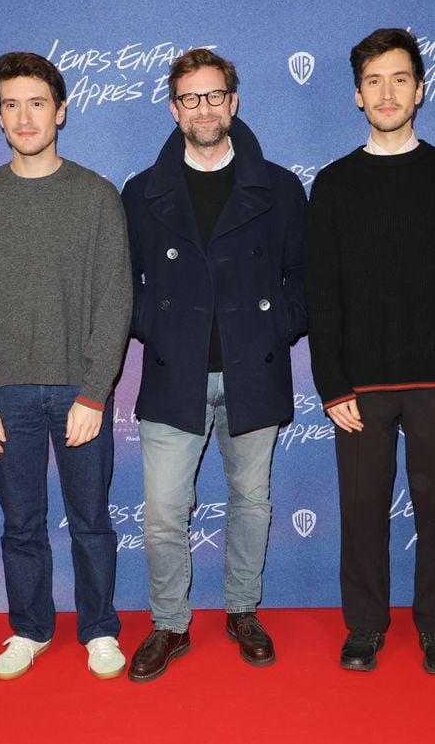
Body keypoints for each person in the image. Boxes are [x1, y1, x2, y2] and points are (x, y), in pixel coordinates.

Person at [305, 29, 435, 674]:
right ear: (358, 95)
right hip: (360, 389)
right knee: (360, 514)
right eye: (374, 81)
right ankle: (364, 625)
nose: (388, 92)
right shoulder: (331, 184)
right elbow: (320, 296)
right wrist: (331, 385)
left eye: (400, 79)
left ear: (420, 88)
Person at [0, 52, 132, 680]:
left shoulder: (97, 196)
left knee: (91, 521)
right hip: (4, 397)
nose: (24, 117)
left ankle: (100, 629)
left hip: (80, 393)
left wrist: (95, 393)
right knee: (20, 522)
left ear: (61, 110)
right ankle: (29, 629)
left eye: (36, 102)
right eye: (10, 105)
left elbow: (115, 303)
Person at [122, 48, 306, 682]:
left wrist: (273, 328)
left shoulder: (279, 187)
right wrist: (160, 326)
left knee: (251, 501)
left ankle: (241, 612)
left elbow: (300, 281)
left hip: (254, 370)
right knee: (164, 511)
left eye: (214, 95)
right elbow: (128, 285)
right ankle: (170, 624)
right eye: (190, 98)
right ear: (175, 109)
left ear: (233, 100)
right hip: (175, 374)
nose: (204, 108)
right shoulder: (142, 192)